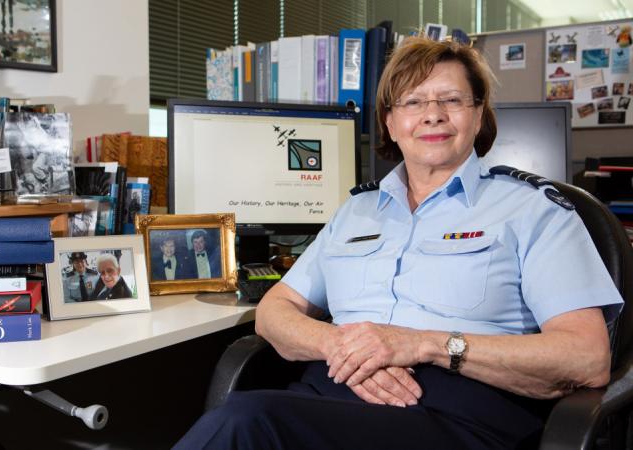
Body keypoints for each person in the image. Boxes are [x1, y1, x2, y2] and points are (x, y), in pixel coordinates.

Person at [174, 36, 624, 449]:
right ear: (390, 123)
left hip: (459, 416)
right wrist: (342, 347)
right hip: (327, 397)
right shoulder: (356, 212)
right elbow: (275, 311)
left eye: (451, 99)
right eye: (413, 101)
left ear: (479, 114)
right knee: (249, 417)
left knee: (248, 421)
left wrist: (423, 344)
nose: (433, 114)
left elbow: (586, 358)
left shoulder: (533, 210)